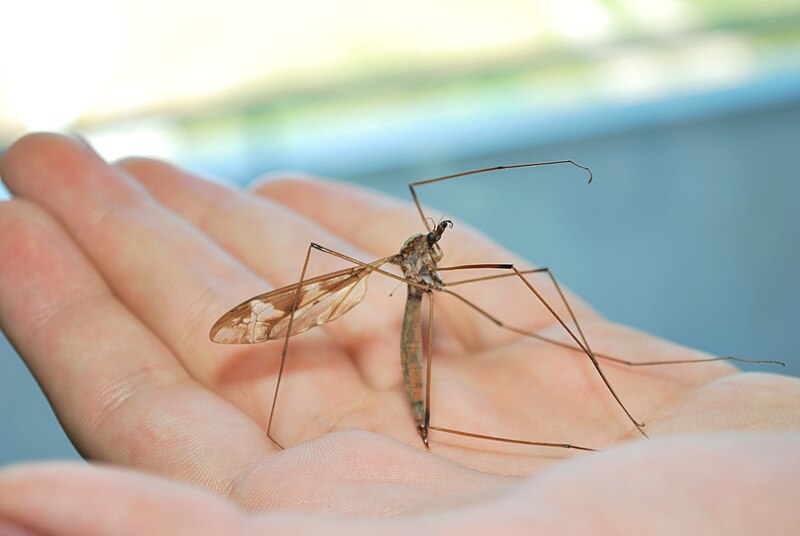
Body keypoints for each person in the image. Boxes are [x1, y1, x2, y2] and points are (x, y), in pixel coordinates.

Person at [0, 132, 797, 534]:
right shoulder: (406, 269)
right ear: (427, 252)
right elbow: (318, 292)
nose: (437, 243)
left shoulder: (431, 253)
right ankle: (414, 413)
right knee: (527, 280)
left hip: (409, 295)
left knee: (530, 280)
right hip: (393, 302)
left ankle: (611, 365)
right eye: (433, 245)